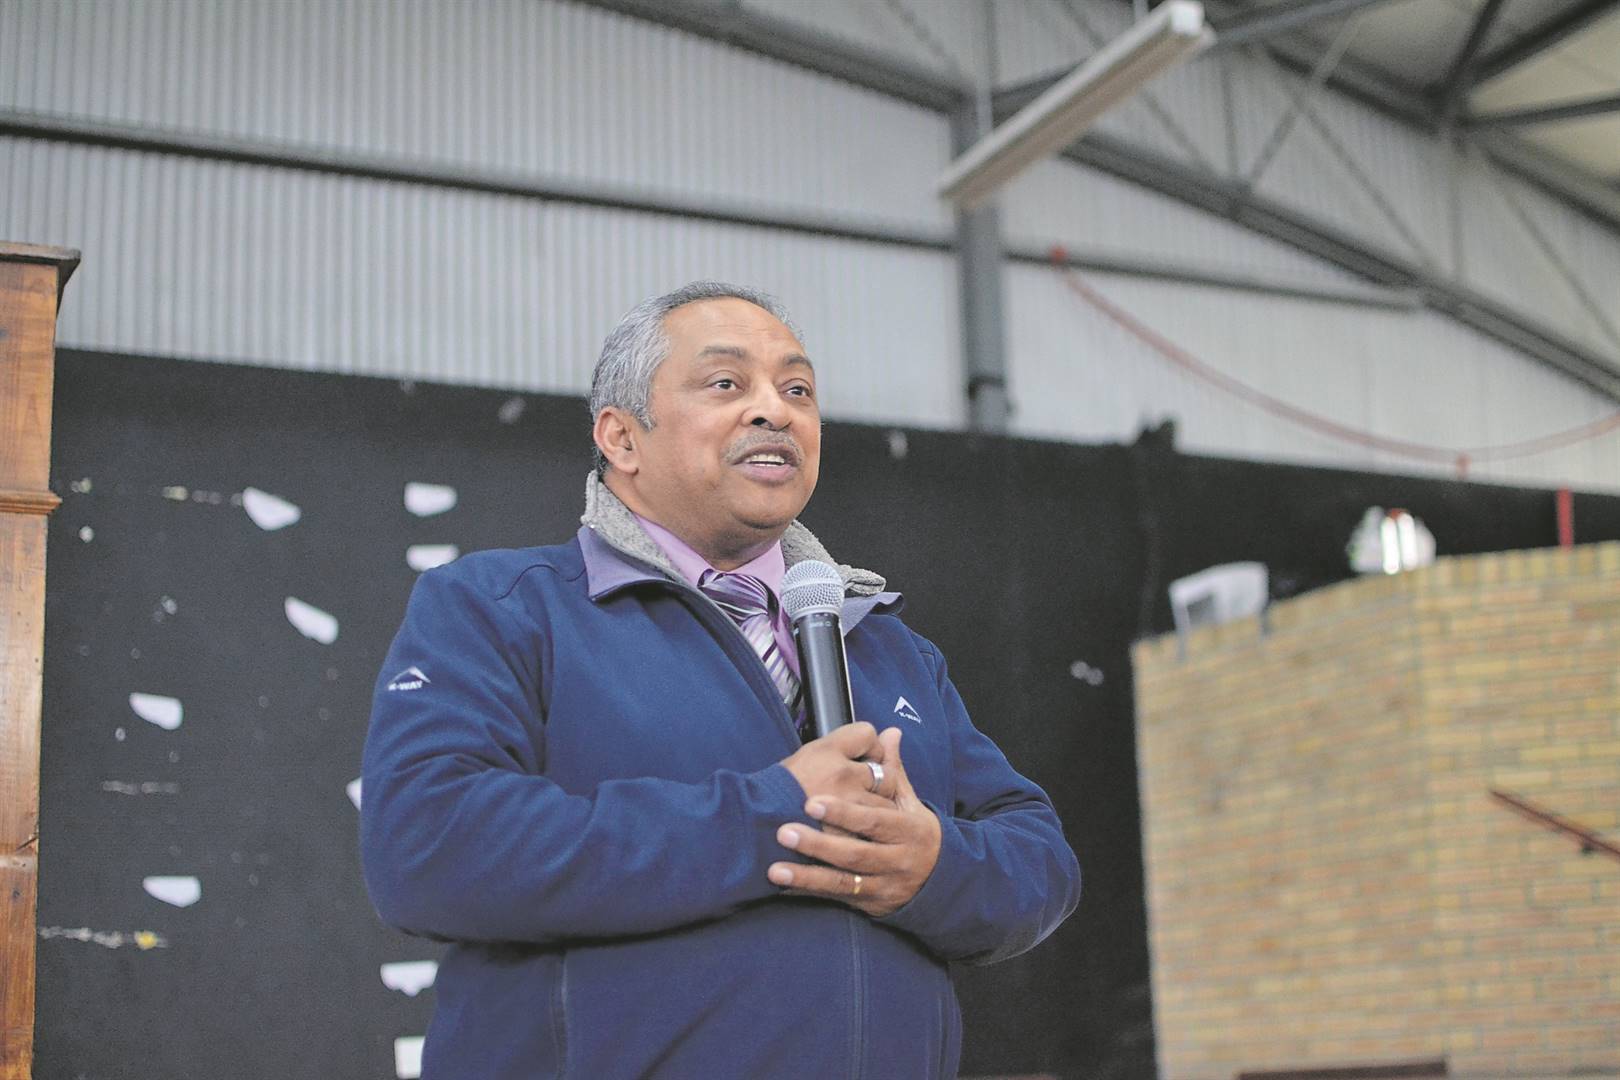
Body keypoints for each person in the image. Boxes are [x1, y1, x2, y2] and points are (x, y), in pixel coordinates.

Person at [361, 282, 1080, 1079]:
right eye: (726, 383)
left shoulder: (889, 648)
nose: (775, 411)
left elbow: (1039, 857)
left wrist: (933, 865)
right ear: (621, 436)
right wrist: (770, 815)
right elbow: (427, 845)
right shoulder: (503, 608)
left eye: (797, 390)